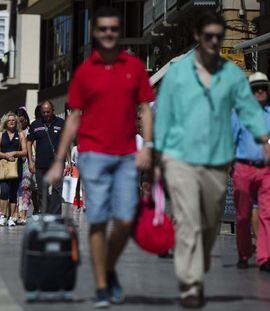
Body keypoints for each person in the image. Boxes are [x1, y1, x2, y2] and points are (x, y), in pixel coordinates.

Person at [155, 11, 270, 308]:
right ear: (197, 36)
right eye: (209, 36)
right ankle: (190, 283)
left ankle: (200, 259)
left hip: (217, 162)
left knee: (207, 224)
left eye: (219, 36)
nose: (215, 41)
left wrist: (263, 138)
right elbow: (164, 114)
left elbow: (248, 110)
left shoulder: (230, 75)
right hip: (181, 158)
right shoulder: (179, 73)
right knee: (188, 222)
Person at [47, 7, 154, 308]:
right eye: (103, 29)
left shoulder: (134, 66)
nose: (108, 34)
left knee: (124, 219)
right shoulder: (84, 71)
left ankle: (107, 266)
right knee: (97, 219)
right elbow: (73, 117)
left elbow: (145, 108)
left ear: (119, 32)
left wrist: (147, 145)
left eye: (113, 29)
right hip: (93, 153)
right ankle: (102, 284)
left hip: (125, 155)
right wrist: (60, 159)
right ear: (95, 33)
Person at [232, 72, 270, 272]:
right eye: (256, 88)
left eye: (263, 87)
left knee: (267, 214)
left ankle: (265, 258)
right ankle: (244, 253)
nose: (260, 91)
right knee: (243, 215)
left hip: (266, 171)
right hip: (243, 168)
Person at [27, 101, 65, 215]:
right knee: (42, 191)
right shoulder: (35, 124)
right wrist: (30, 161)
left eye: (48, 112)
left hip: (57, 163)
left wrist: (68, 161)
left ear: (53, 110)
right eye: (44, 112)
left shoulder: (61, 123)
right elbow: (29, 142)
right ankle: (44, 214)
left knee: (57, 190)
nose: (46, 114)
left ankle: (56, 215)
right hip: (41, 164)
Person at [0, 112, 27, 227]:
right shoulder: (1, 135)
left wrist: (15, 152)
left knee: (13, 193)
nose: (11, 122)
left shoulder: (21, 134)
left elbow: (25, 152)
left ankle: (12, 216)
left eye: (13, 120)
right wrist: (5, 155)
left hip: (16, 166)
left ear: (16, 122)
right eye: (9, 120)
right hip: (4, 166)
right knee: (4, 190)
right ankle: (3, 215)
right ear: (5, 123)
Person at [15, 107, 33, 224]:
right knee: (15, 188)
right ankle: (15, 212)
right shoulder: (13, 132)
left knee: (26, 188)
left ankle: (24, 214)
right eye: (19, 121)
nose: (21, 123)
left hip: (27, 162)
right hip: (15, 162)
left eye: (23, 120)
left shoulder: (31, 131)